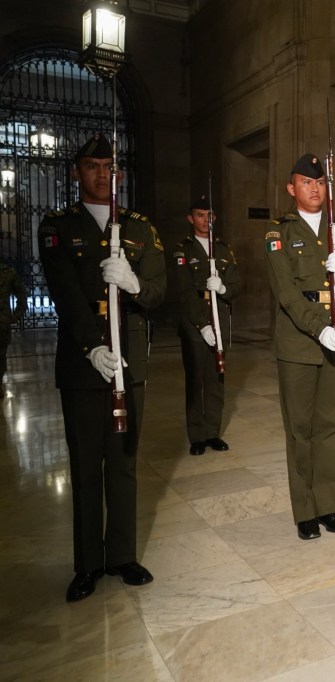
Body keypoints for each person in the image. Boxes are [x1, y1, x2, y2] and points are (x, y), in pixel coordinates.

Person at [38, 132, 166, 602]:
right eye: (92, 166)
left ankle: (123, 556)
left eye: (108, 167)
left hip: (128, 360)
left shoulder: (139, 227)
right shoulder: (57, 225)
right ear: (77, 172)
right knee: (87, 465)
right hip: (82, 362)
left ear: (119, 173)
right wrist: (92, 347)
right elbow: (66, 295)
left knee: (124, 463)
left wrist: (133, 284)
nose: (101, 174)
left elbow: (158, 291)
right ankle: (88, 563)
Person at [265, 153, 335, 540]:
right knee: (300, 429)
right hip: (299, 341)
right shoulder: (278, 233)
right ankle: (304, 510)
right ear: (291, 189)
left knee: (328, 427)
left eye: (320, 182)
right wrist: (318, 328)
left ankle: (327, 506)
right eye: (306, 182)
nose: (315, 189)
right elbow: (286, 293)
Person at [173, 195, 240, 455]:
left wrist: (223, 288)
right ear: (190, 219)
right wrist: (201, 324)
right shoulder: (183, 249)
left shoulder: (223, 249)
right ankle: (197, 436)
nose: (205, 220)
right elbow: (184, 290)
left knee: (216, 379)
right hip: (194, 322)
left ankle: (213, 432)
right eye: (200, 215)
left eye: (209, 215)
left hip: (219, 317)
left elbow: (236, 285)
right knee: (195, 380)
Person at [0, 262, 28, 383]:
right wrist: (17, 314)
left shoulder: (8, 272)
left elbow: (22, 294)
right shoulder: (8, 272)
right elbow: (22, 294)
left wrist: (17, 314)